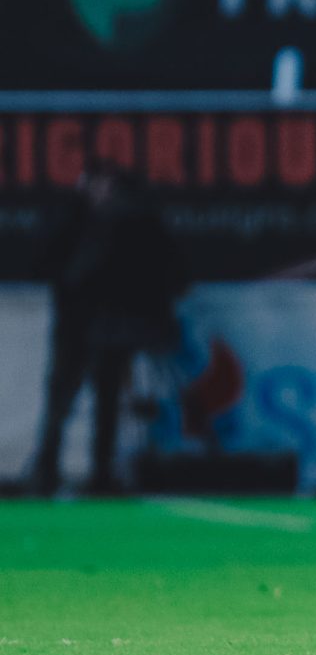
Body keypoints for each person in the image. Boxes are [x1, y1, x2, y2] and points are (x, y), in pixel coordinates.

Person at [30, 160, 186, 496]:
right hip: (76, 326)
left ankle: (101, 473)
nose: (103, 191)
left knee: (107, 403)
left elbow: (170, 273)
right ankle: (45, 471)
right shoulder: (74, 217)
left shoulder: (136, 221)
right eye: (97, 183)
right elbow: (52, 265)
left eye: (109, 185)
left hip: (115, 328)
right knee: (61, 400)